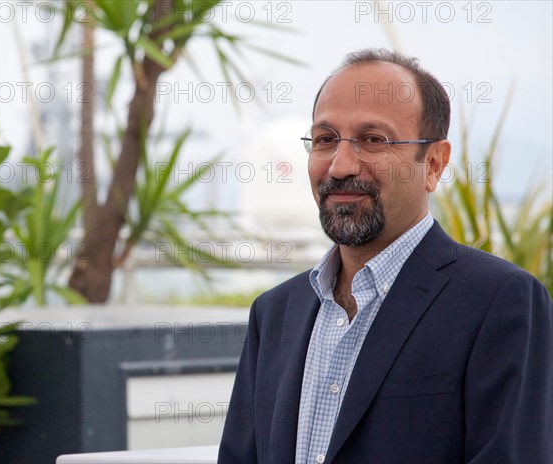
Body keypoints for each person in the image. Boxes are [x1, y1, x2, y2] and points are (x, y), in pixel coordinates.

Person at [218, 48, 553, 464]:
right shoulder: (274, 313)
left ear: (433, 163)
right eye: (325, 140)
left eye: (373, 140)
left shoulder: (500, 302)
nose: (340, 165)